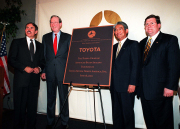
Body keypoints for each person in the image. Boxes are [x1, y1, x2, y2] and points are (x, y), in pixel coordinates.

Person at [138, 14, 180, 129]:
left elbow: (174, 65)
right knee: (150, 122)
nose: (149, 26)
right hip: (144, 91)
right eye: (146, 24)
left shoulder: (169, 39)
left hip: (161, 91)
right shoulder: (141, 43)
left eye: (152, 23)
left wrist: (170, 86)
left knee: (163, 123)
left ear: (159, 25)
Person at [8, 22, 45, 129]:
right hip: (20, 81)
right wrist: (24, 67)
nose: (29, 29)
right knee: (19, 106)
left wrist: (39, 68)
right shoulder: (17, 42)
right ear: (25, 30)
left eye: (31, 28)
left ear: (36, 31)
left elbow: (43, 61)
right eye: (27, 28)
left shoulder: (40, 46)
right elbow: (11, 59)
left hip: (34, 82)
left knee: (32, 107)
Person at [41, 15, 71, 129]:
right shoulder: (45, 37)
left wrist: (70, 72)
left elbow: (70, 56)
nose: (53, 24)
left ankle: (64, 122)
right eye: (51, 22)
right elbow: (44, 56)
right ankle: (50, 122)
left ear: (60, 24)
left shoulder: (68, 37)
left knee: (63, 98)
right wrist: (43, 70)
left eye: (55, 22)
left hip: (63, 73)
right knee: (50, 98)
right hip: (49, 72)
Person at [110, 21, 140, 129]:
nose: (117, 32)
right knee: (116, 113)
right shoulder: (113, 47)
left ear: (126, 31)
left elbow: (135, 65)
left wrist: (133, 83)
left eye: (120, 29)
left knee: (127, 114)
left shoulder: (133, 44)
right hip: (114, 86)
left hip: (127, 86)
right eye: (116, 30)